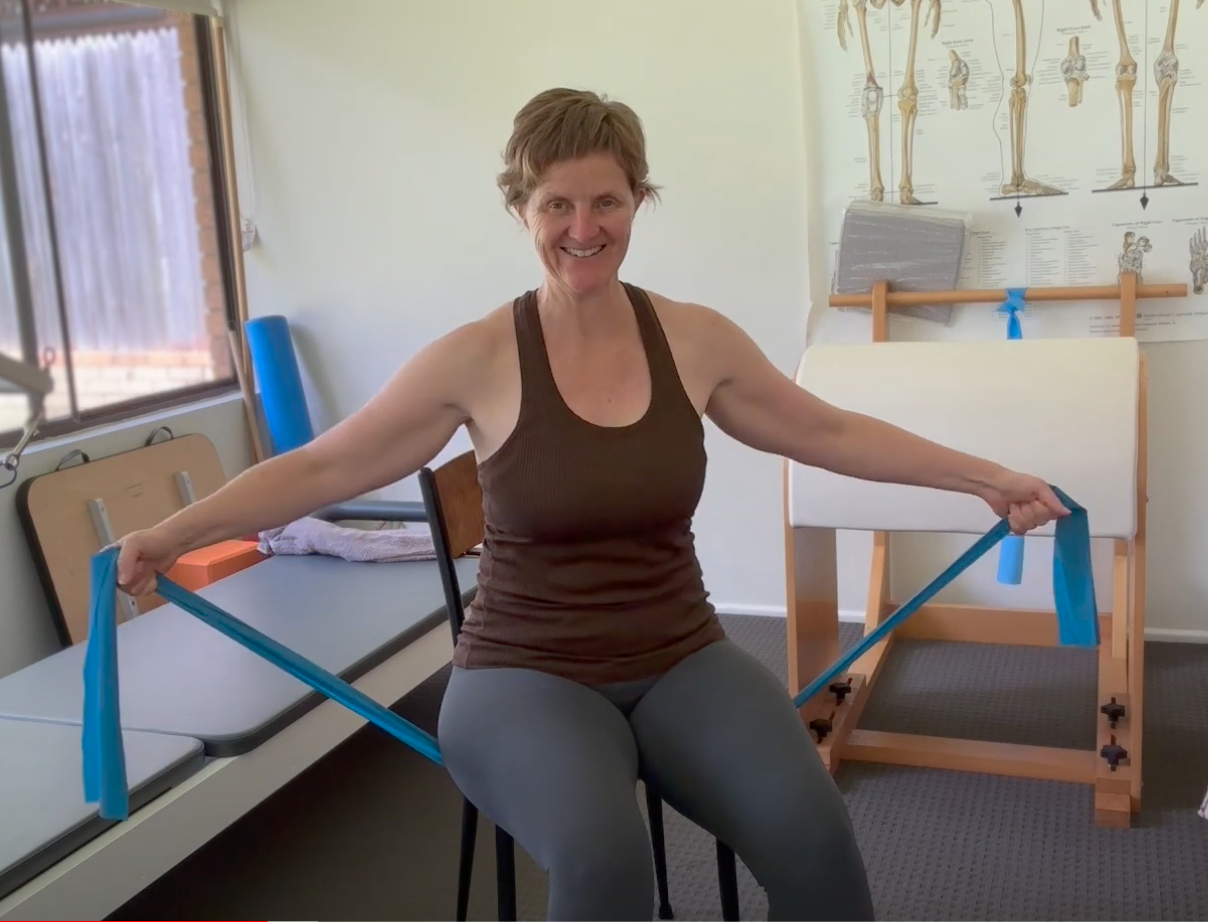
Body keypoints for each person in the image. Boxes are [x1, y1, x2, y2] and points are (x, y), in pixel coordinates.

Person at [117, 87, 1068, 921]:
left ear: (638, 201)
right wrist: (174, 533)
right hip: (522, 677)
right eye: (556, 203)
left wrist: (983, 476)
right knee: (607, 868)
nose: (583, 227)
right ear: (519, 208)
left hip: (681, 656)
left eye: (606, 200)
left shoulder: (695, 340)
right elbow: (327, 467)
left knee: (821, 852)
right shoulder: (476, 358)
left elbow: (833, 434)